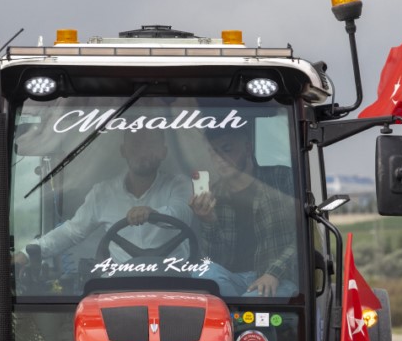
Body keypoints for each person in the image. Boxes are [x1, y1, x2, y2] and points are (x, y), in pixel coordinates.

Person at [16, 128, 193, 266]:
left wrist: (152, 213)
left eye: (150, 144)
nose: (143, 151)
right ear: (123, 150)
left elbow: (181, 213)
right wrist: (27, 253)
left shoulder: (179, 185)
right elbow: (72, 232)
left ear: (163, 152)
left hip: (176, 283)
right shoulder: (103, 193)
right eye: (137, 144)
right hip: (119, 288)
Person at [189, 126, 297, 298]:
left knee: (250, 299)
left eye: (227, 150)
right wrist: (208, 221)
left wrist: (274, 272)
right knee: (204, 272)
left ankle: (232, 312)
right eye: (213, 153)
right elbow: (216, 259)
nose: (219, 159)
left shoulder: (281, 178)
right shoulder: (214, 195)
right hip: (234, 281)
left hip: (278, 280)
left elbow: (302, 235)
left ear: (248, 147)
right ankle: (233, 311)